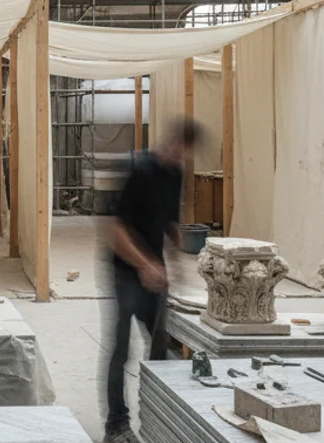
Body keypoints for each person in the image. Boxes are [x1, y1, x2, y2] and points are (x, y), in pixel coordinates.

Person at [102, 118, 201, 443]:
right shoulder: (138, 169)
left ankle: (157, 416)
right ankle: (116, 425)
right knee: (121, 350)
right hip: (125, 272)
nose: (180, 158)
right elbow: (115, 232)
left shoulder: (176, 173)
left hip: (154, 275)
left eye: (186, 154)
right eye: (179, 150)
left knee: (160, 346)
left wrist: (177, 257)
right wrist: (145, 264)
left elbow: (168, 220)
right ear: (171, 143)